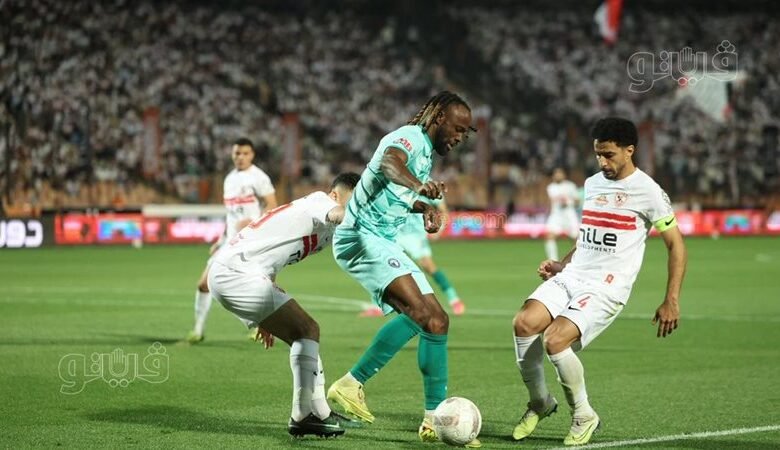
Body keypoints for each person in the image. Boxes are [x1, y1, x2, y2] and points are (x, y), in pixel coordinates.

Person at [510, 117, 687, 446]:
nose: (602, 162)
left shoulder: (648, 191)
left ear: (629, 150)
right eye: (598, 155)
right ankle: (540, 402)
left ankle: (583, 414)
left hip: (607, 286)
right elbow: (587, 236)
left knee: (554, 340)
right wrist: (562, 264)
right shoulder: (592, 184)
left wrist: (671, 299)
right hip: (573, 274)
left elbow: (676, 245)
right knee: (524, 323)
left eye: (609, 155)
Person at [325, 91, 480, 447]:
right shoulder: (408, 138)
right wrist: (417, 184)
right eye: (458, 129)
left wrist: (422, 205)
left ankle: (431, 419)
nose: (460, 138)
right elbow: (388, 164)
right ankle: (350, 384)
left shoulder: (425, 153)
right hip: (361, 236)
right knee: (422, 314)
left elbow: (393, 195)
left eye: (466, 132)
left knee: (436, 320)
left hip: (383, 240)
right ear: (438, 119)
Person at [207, 173, 361, 437]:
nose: (357, 206)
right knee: (307, 329)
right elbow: (338, 214)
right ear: (335, 194)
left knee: (304, 336)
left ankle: (321, 412)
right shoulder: (320, 201)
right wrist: (363, 216)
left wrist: (265, 316)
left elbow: (273, 257)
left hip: (242, 272)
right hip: (235, 272)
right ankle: (301, 416)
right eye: (354, 200)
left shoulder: (324, 228)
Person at [187, 138, 277, 344]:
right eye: (237, 153)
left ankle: (257, 325)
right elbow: (231, 215)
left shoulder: (259, 177)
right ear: (232, 154)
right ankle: (198, 330)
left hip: (248, 241)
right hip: (229, 241)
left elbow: (272, 205)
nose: (241, 157)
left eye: (245, 153)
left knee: (239, 286)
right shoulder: (229, 179)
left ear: (252, 155)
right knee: (204, 285)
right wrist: (220, 239)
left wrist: (254, 222)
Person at [360, 198, 466, 317]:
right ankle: (377, 306)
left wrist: (439, 230)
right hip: (396, 232)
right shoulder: (399, 187)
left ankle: (454, 299)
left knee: (428, 266)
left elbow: (443, 210)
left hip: (417, 235)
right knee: (382, 265)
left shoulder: (429, 189)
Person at [544, 168, 580, 261]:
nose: (558, 175)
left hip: (569, 215)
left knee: (576, 239)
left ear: (564, 175)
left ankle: (577, 260)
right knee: (550, 236)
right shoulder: (551, 187)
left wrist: (568, 203)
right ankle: (553, 261)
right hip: (556, 215)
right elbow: (551, 202)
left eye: (560, 173)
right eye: (556, 173)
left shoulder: (570, 186)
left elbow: (577, 201)